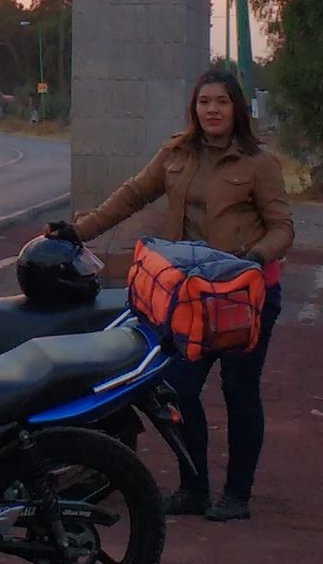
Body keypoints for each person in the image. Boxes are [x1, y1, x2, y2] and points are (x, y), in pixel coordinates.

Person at [50, 69, 292, 523]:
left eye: (221, 102)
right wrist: (77, 232)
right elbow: (131, 196)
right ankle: (194, 487)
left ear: (236, 108)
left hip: (244, 297)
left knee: (240, 391)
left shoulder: (258, 163)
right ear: (194, 109)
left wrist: (256, 257)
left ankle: (237, 494)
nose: (213, 110)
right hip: (192, 297)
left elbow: (283, 226)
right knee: (176, 389)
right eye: (204, 102)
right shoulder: (176, 154)